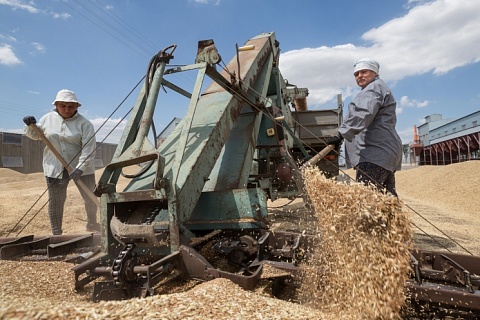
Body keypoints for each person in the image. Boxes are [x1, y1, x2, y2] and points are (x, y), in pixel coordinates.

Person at [23, 89, 100, 234]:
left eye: (71, 106)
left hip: (82, 168)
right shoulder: (47, 119)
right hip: (55, 167)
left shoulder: (85, 124)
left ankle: (92, 224)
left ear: (77, 106)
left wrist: (80, 167)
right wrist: (29, 125)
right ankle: (56, 232)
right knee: (56, 202)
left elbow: (89, 148)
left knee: (90, 198)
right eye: (63, 106)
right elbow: (34, 135)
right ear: (56, 105)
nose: (67, 109)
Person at [327, 58, 402, 196]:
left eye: (364, 72)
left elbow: (364, 113)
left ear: (374, 72)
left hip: (374, 154)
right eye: (356, 74)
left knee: (367, 200)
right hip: (384, 153)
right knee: (386, 200)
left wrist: (341, 133)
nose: (359, 76)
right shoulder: (378, 87)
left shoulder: (373, 88)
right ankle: (392, 218)